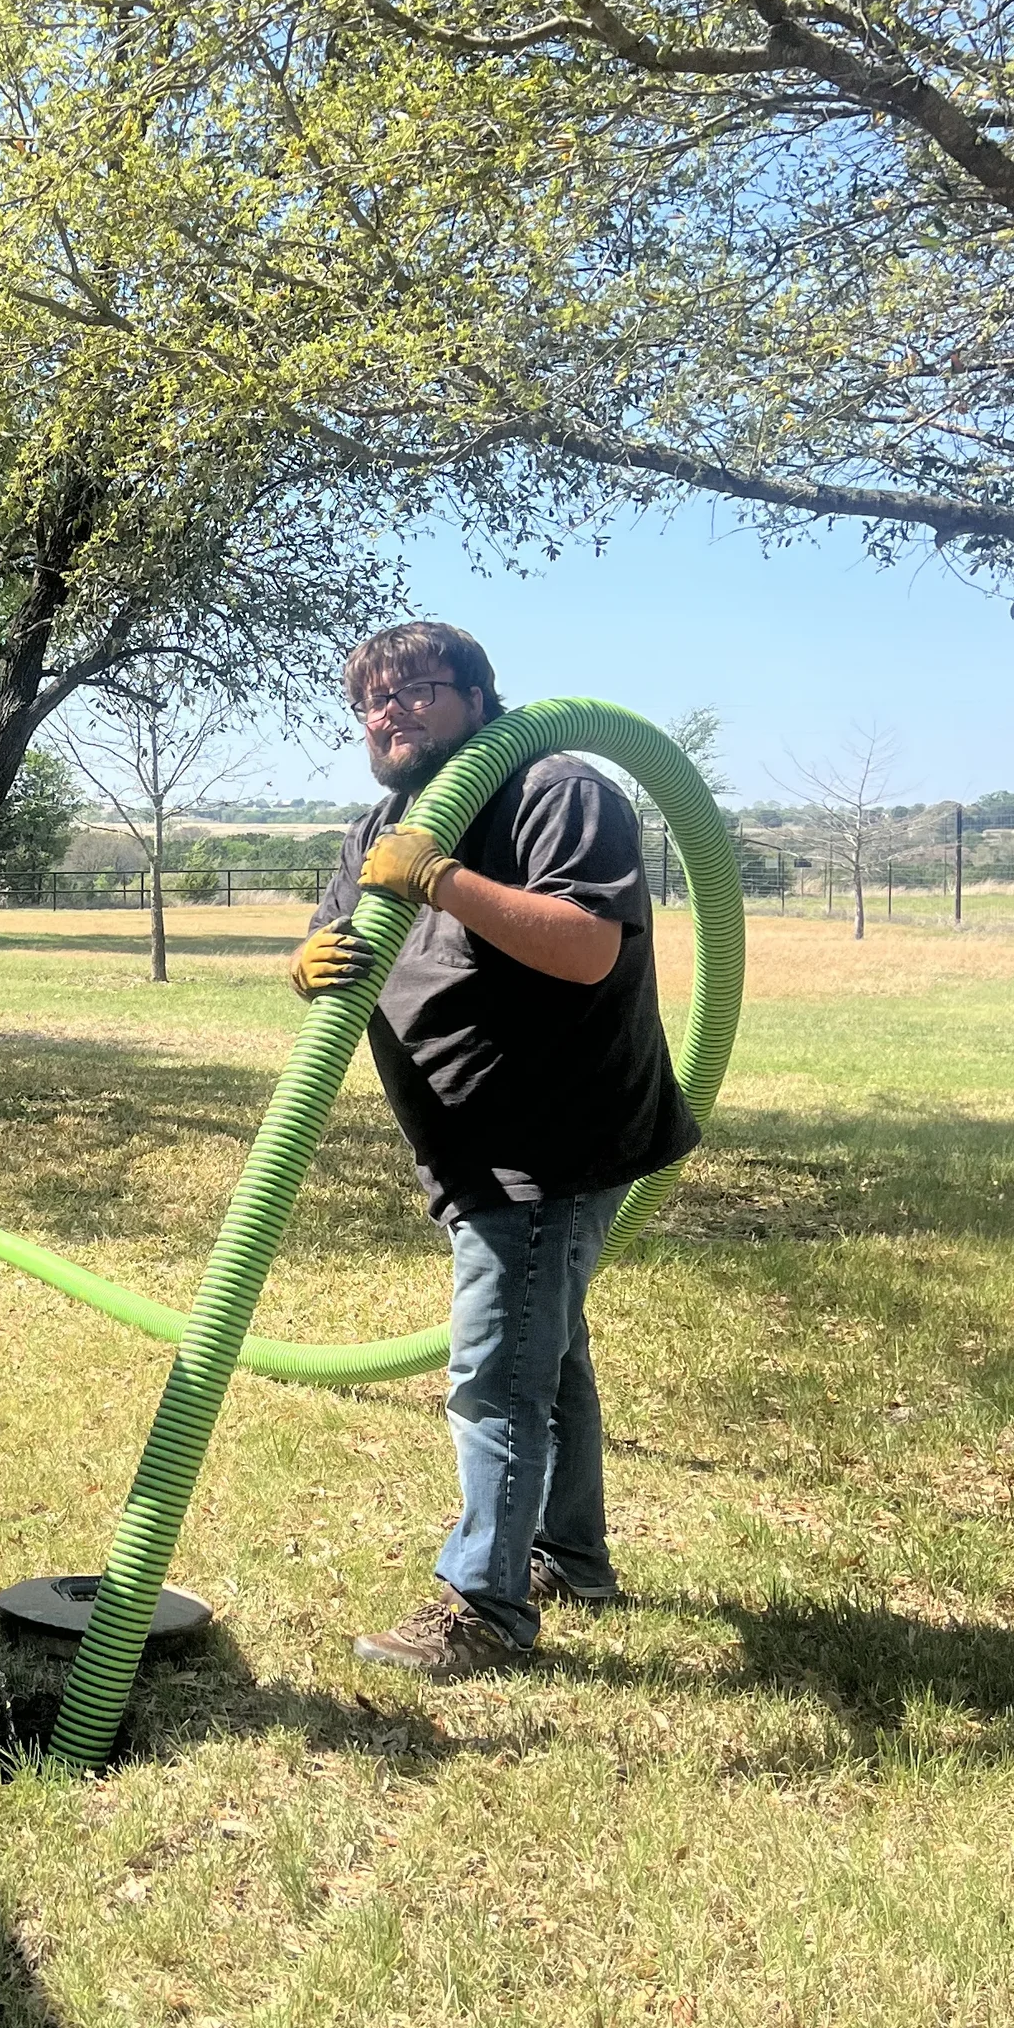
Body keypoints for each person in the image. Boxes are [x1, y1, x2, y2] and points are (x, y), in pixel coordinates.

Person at [289, 621, 698, 1675]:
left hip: (548, 1137)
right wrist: (306, 959)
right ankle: (570, 1558)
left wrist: (445, 881)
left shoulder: (553, 789)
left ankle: (484, 1606)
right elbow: (344, 930)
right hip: (472, 1142)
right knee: (543, 1359)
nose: (391, 713)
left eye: (417, 689)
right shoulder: (385, 822)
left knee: (496, 1375)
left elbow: (587, 945)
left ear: (476, 694)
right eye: (374, 702)